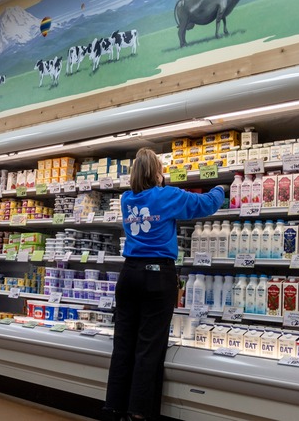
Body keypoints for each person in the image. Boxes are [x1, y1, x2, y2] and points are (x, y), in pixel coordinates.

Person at [104, 148, 225, 421]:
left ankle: (114, 408)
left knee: (123, 343)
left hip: (129, 274)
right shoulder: (167, 195)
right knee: (149, 346)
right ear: (157, 173)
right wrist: (220, 186)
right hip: (157, 276)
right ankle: (139, 412)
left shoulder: (125, 199)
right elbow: (206, 204)